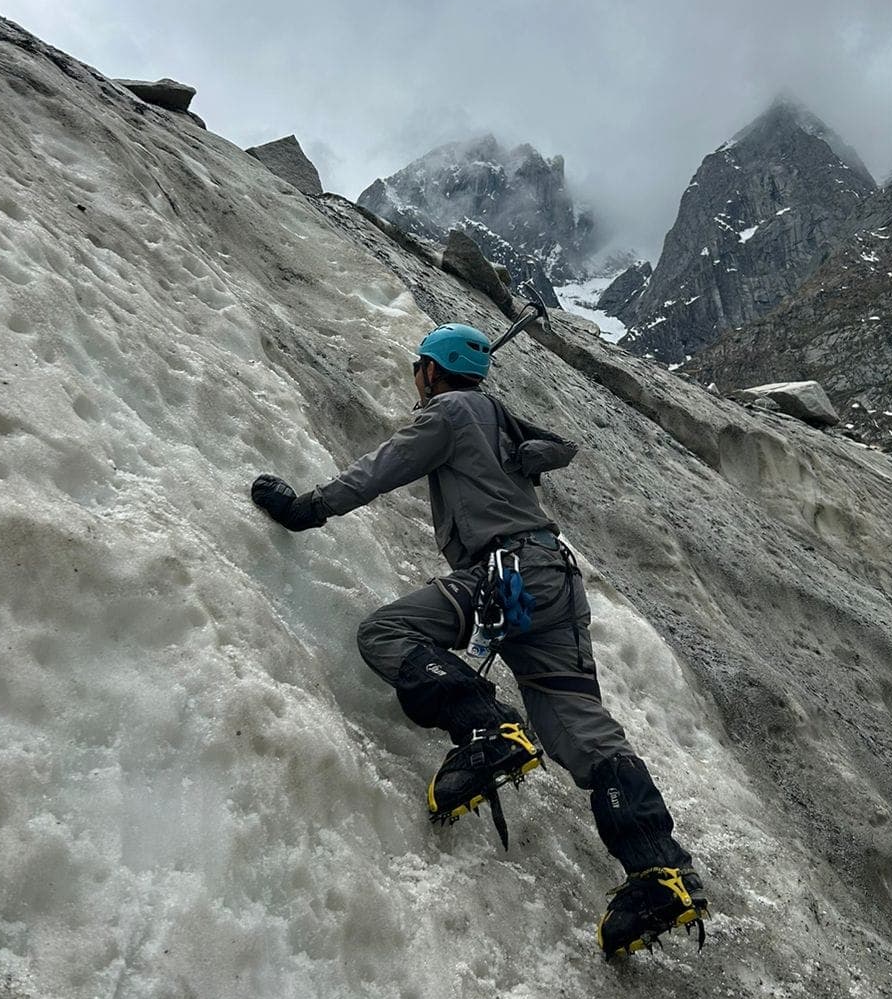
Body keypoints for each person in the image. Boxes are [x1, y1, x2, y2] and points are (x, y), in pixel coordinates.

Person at [251, 321, 707, 958]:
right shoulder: (502, 423)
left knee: (387, 631)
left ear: (433, 370)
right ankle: (660, 872)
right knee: (584, 731)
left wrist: (305, 508)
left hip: (504, 575)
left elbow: (382, 468)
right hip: (556, 584)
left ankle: (487, 730)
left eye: (419, 367)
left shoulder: (451, 410)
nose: (416, 378)